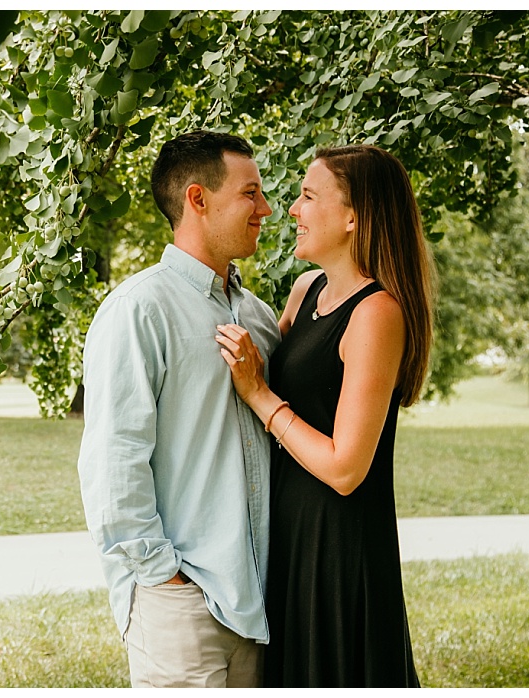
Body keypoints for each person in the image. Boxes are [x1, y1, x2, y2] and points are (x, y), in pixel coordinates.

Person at [213, 144, 432, 687]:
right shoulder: (306, 290)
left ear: (354, 217)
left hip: (340, 549)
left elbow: (345, 467)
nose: (292, 210)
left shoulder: (378, 313)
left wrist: (260, 395)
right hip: (287, 533)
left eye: (309, 197)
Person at [75, 130, 281, 688]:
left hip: (261, 603)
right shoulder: (138, 312)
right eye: (250, 194)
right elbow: (114, 464)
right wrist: (164, 579)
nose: (266, 209)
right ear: (198, 199)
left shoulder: (260, 318)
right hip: (180, 606)